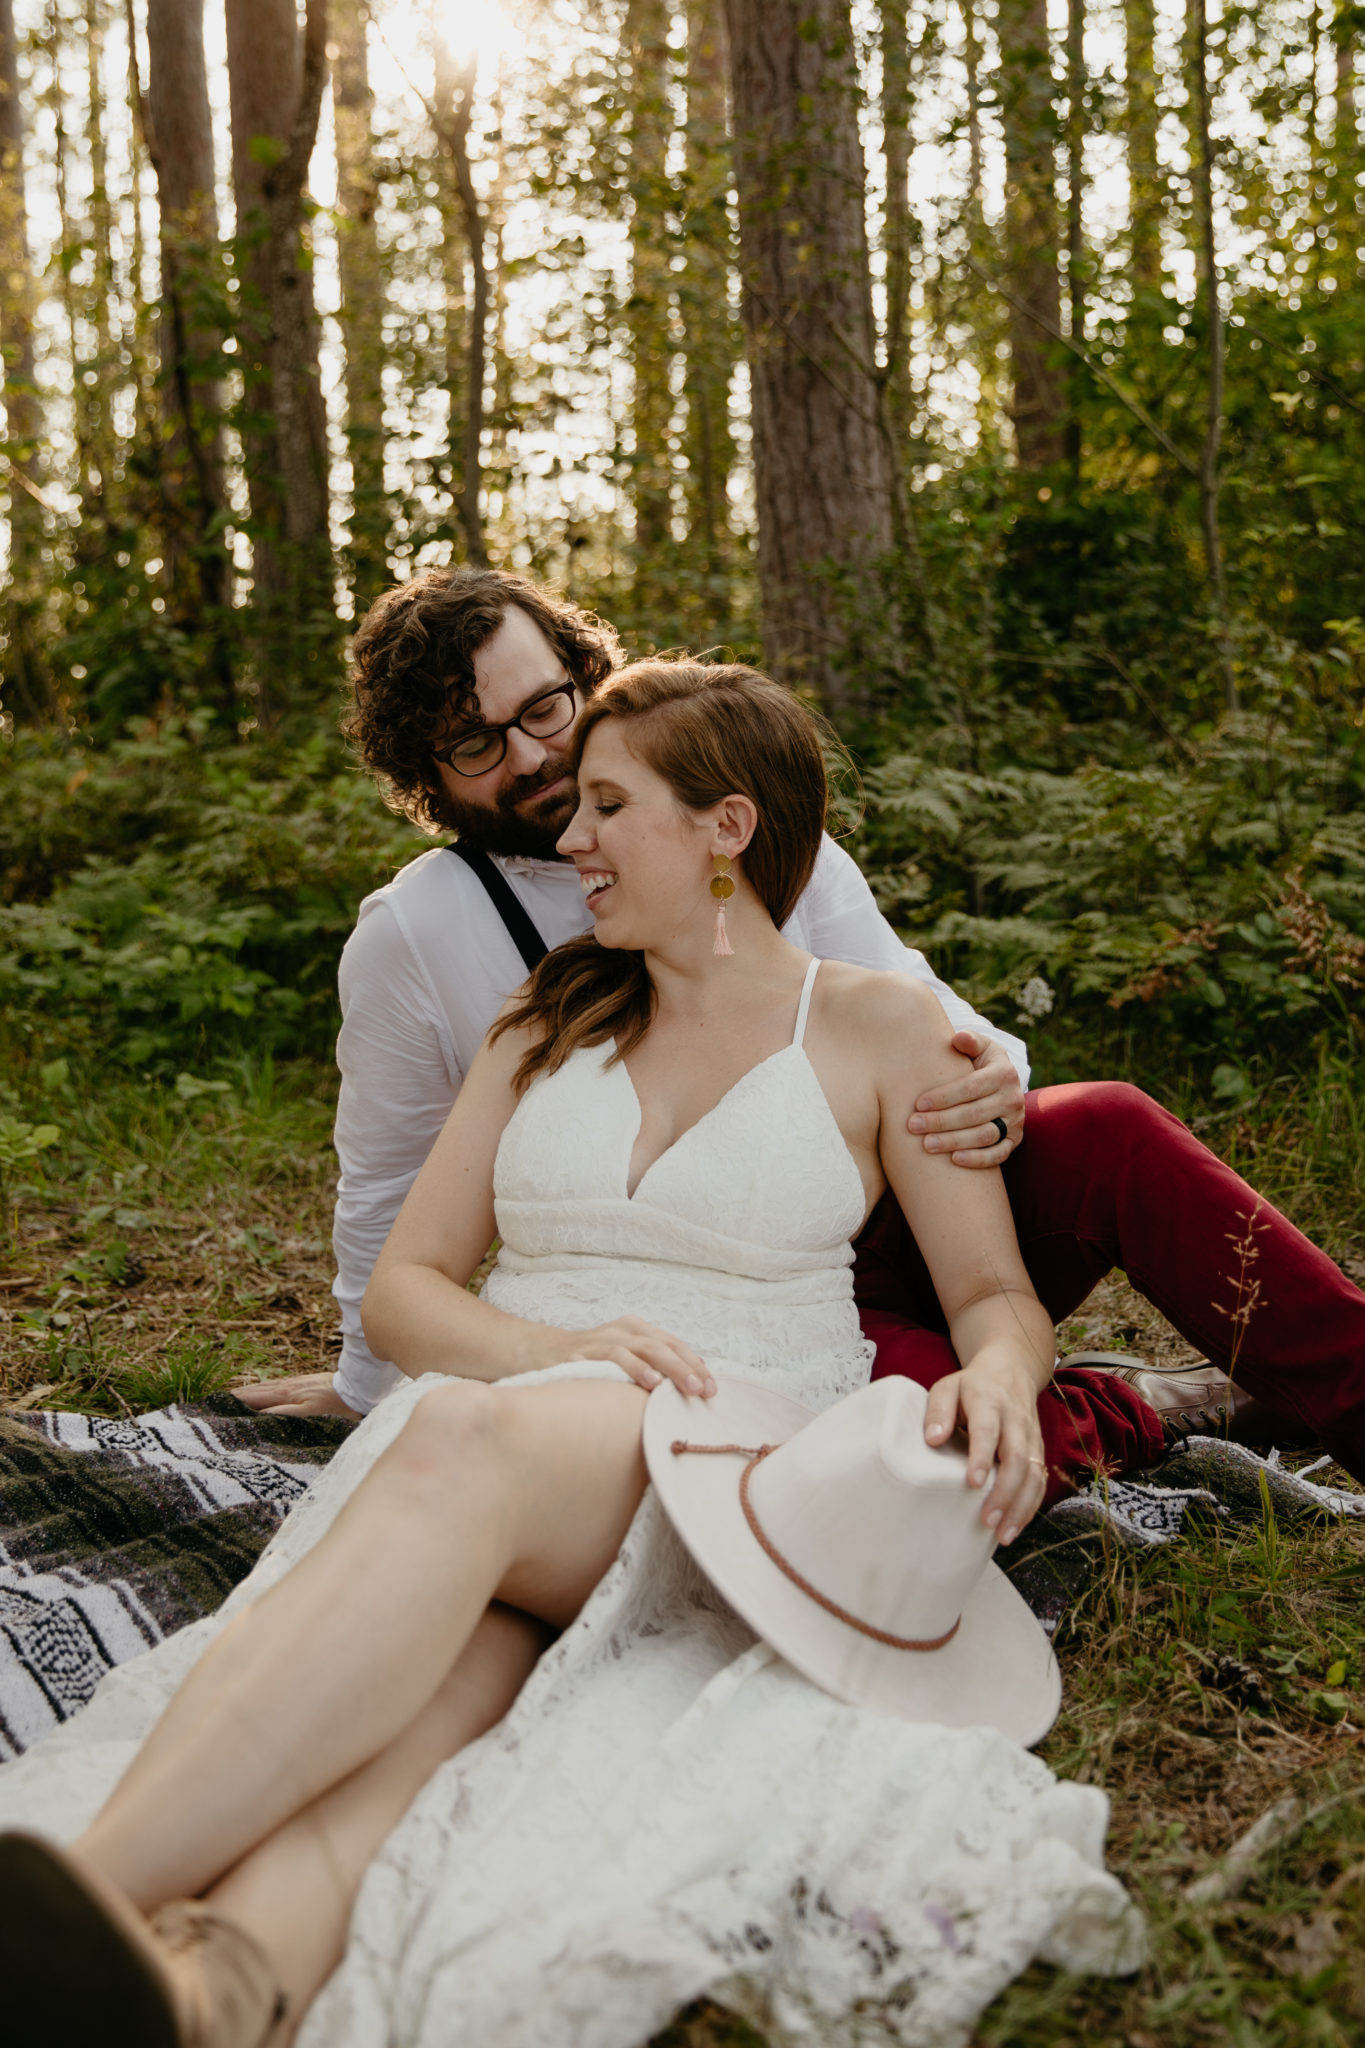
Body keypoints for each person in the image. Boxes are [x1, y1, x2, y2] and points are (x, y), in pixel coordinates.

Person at [0, 662, 1142, 2047]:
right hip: (512, 1454)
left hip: (730, 1449)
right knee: (433, 1725)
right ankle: (208, 1990)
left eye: (608, 804)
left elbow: (991, 1295)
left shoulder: (880, 1027)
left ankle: (94, 1883)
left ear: (726, 828)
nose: (571, 836)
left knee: (466, 1438)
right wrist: (555, 1346)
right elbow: (407, 1293)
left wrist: (1002, 1375)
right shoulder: (550, 1014)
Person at [245, 567, 1365, 1495]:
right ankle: (1123, 1404)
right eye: (477, 743)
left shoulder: (748, 837)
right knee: (920, 1464)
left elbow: (910, 1006)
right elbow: (388, 1182)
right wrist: (369, 1384)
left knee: (1111, 1125)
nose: (535, 757)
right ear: (425, 774)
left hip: (884, 1190)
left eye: (545, 708)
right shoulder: (417, 934)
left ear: (586, 677)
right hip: (735, 1290)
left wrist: (995, 1078)